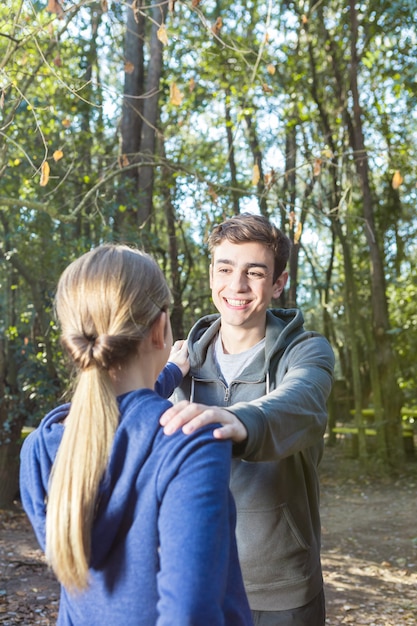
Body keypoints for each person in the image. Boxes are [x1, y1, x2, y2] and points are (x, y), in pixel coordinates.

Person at [19, 243, 253, 626]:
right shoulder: (190, 439)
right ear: (160, 329)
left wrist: (171, 374)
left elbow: (114, 415)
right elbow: (188, 615)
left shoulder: (41, 449)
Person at [160, 213, 335, 626]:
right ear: (212, 275)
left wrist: (237, 421)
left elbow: (302, 404)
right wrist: (165, 376)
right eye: (226, 269)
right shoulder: (179, 360)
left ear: (278, 283)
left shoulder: (307, 352)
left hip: (281, 589)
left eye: (254, 273)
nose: (237, 286)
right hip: (197, 583)